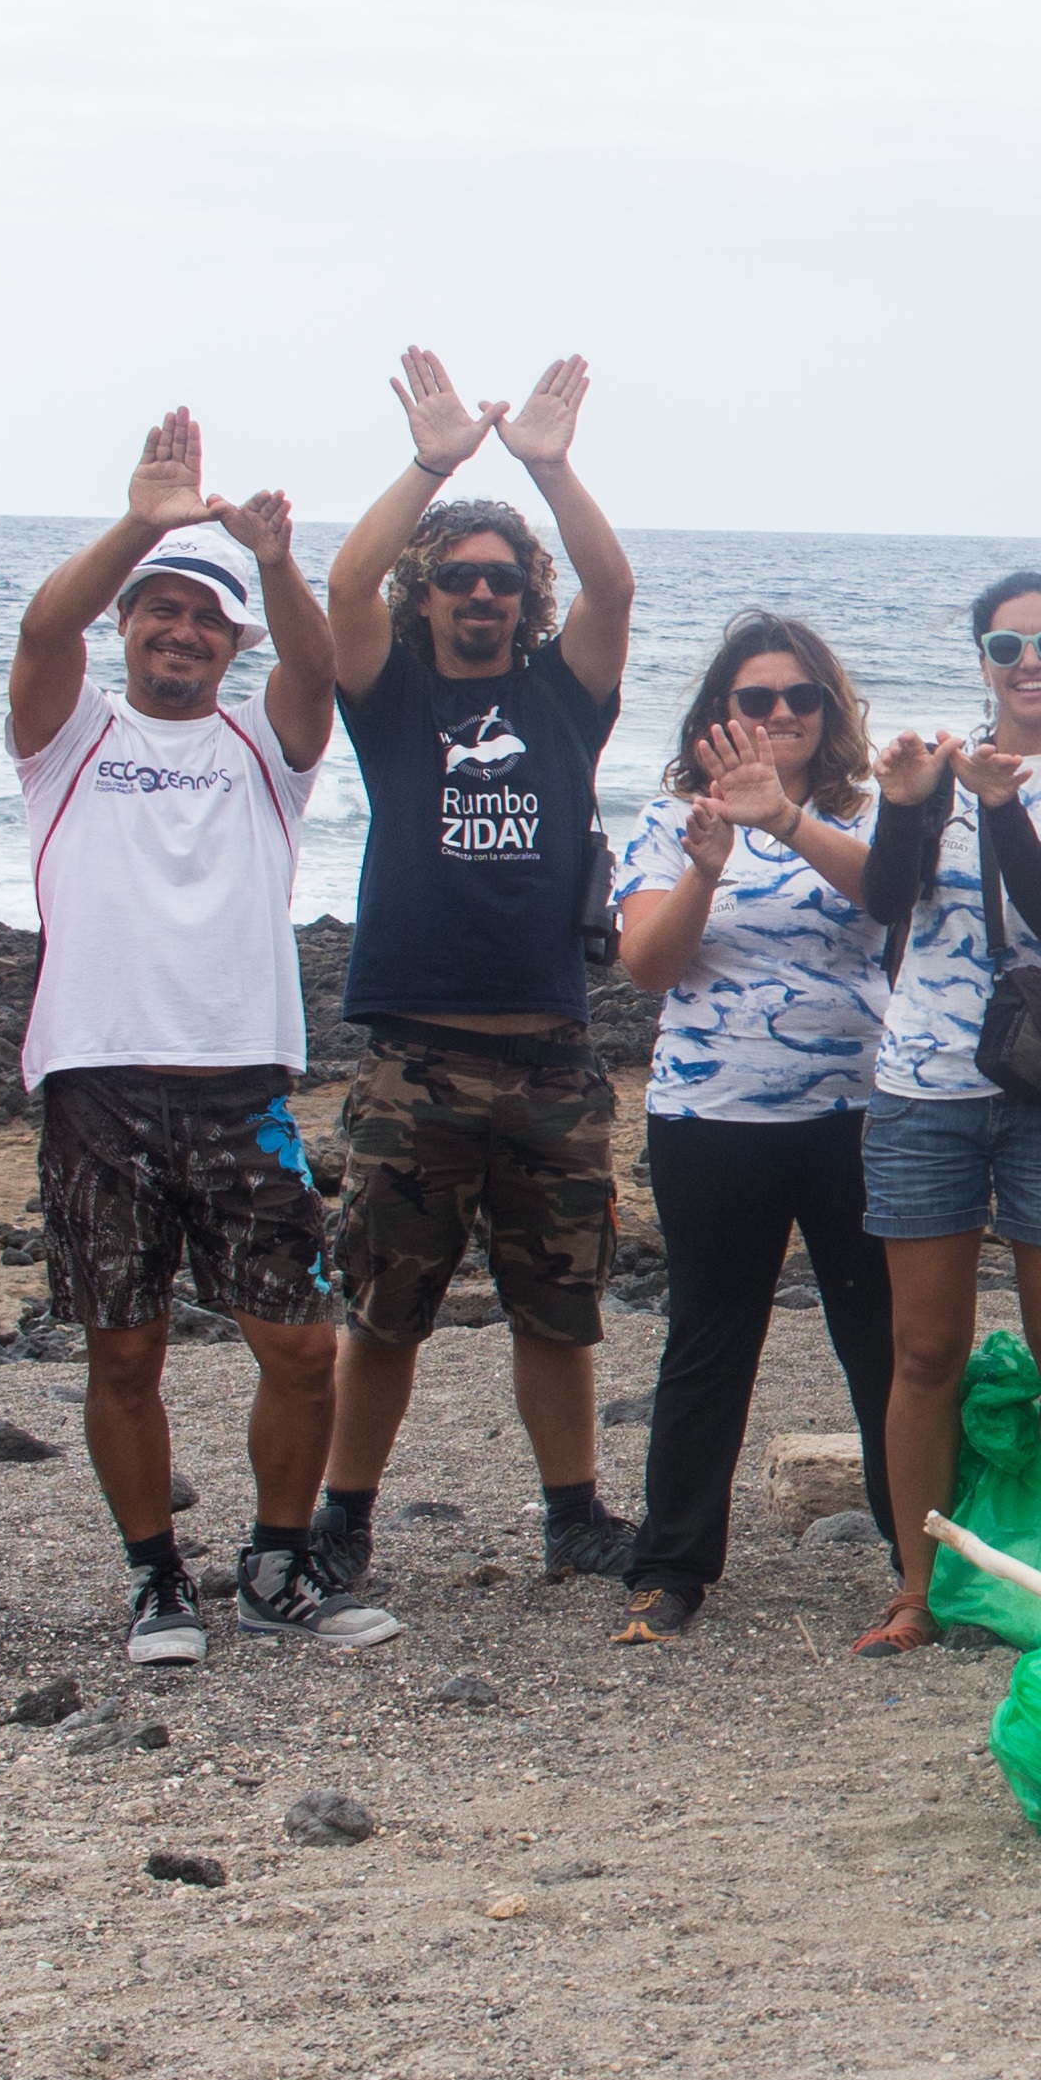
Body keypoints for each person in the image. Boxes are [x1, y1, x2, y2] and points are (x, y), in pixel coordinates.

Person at [4, 411, 378, 1665]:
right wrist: (145, 520)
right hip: (97, 1083)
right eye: (158, 608)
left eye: (204, 616)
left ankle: (276, 1564)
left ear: (233, 640)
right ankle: (155, 1574)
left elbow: (320, 679)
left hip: (242, 1085)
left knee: (301, 1343)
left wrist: (271, 559)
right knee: (124, 1347)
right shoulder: (72, 738)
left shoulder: (262, 752)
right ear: (129, 624)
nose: (179, 628)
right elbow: (43, 628)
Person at [314, 347, 639, 1600]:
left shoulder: (560, 698)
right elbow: (341, 580)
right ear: (427, 593)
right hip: (414, 1059)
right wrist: (434, 463)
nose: (483, 595)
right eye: (457, 578)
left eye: (504, 580)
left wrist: (549, 469)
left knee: (558, 1309)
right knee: (384, 1305)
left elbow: (613, 583)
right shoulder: (390, 699)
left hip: (552, 1059)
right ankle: (344, 1517)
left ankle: (574, 1516)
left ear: (525, 595)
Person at [849, 573, 1041, 1655]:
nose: (1033, 661)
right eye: (1010, 643)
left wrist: (998, 800)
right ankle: (915, 1591)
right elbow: (885, 901)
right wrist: (901, 802)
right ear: (982, 657)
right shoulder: (932, 771)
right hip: (923, 1087)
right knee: (923, 1350)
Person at [608, 611, 896, 1646]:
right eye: (755, 699)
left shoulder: (873, 813)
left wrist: (784, 821)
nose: (779, 714)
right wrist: (705, 862)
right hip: (710, 1113)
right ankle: (671, 1567)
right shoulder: (664, 820)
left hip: (858, 1115)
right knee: (708, 1337)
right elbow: (647, 964)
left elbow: (891, 901)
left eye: (799, 697)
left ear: (828, 712)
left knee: (884, 1341)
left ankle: (923, 1564)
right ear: (715, 717)